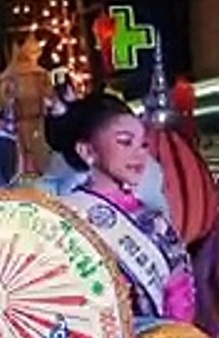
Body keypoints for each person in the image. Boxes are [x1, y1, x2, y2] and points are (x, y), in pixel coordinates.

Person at [54, 93, 195, 321]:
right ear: (87, 151)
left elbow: (180, 292)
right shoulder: (64, 218)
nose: (139, 154)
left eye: (143, 144)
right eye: (124, 142)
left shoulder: (154, 220)